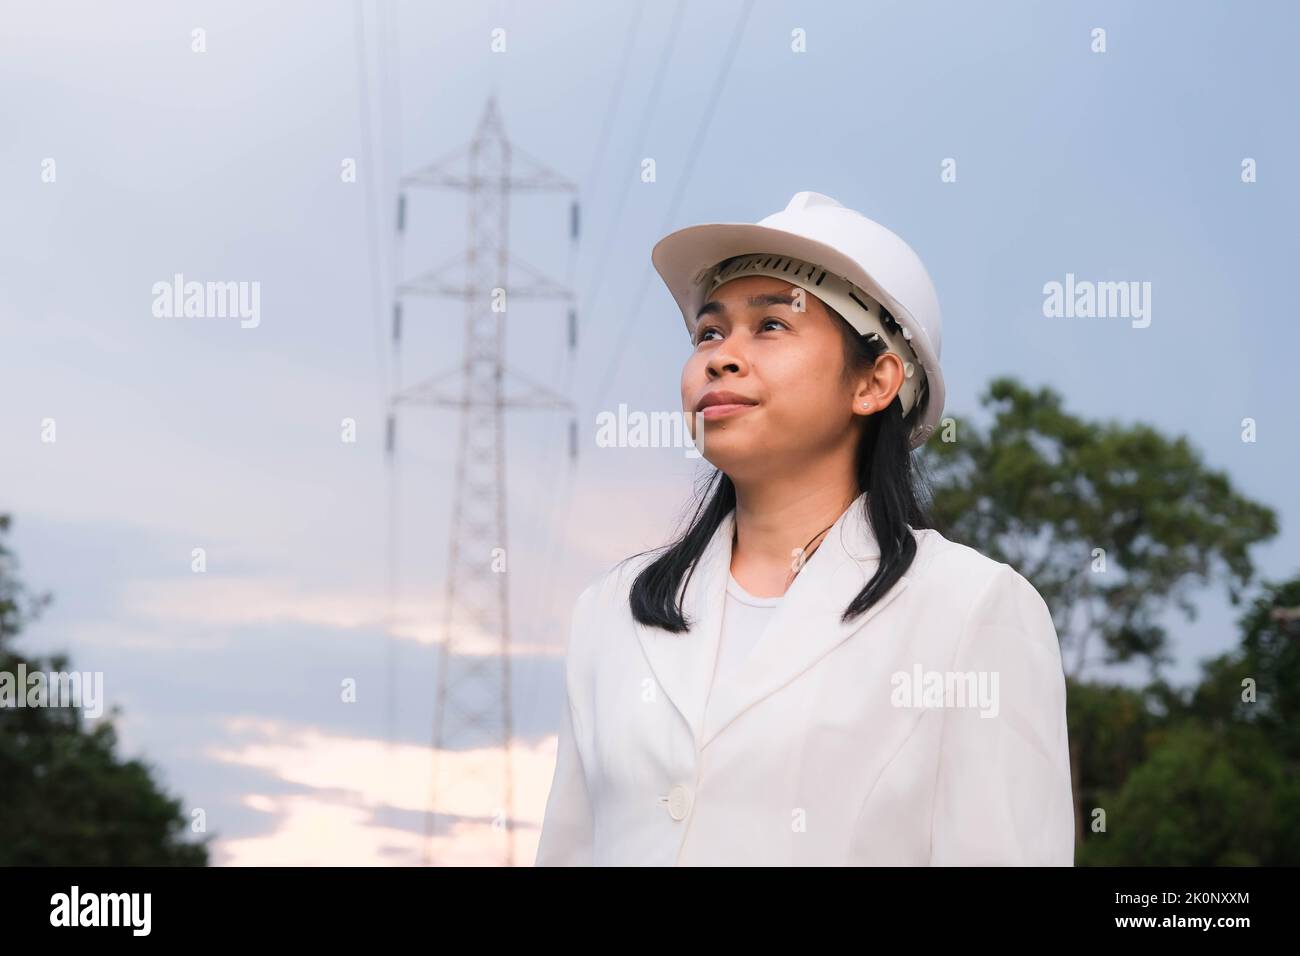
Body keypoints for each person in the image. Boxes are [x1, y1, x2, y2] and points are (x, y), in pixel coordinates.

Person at [535, 191, 1074, 866]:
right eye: (709, 332)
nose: (722, 357)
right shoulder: (610, 612)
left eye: (771, 326)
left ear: (875, 381)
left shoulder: (972, 609)